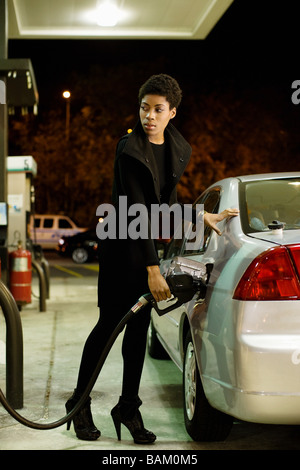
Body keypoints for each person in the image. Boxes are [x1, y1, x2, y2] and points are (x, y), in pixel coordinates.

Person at [65, 74, 239, 443]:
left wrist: (199, 216)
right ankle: (78, 404)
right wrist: (152, 270)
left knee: (139, 332)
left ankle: (128, 407)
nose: (150, 116)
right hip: (120, 250)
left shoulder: (176, 148)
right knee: (108, 329)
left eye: (158, 109)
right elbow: (139, 212)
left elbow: (166, 204)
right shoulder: (129, 150)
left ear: (172, 112)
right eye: (145, 107)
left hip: (143, 251)